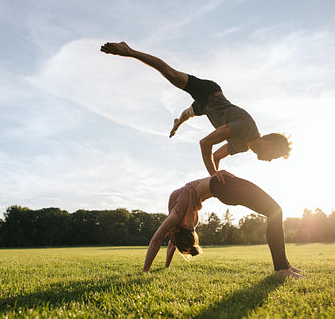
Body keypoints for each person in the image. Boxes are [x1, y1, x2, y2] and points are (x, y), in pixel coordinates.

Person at [100, 42, 292, 182]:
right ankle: (129, 50)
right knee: (171, 74)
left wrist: (219, 178)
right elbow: (205, 143)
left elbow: (216, 157)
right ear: (268, 142)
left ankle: (177, 122)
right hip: (210, 93)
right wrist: (214, 175)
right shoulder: (246, 128)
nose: (269, 161)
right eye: (273, 156)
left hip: (206, 108)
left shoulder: (243, 146)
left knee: (185, 115)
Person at [142, 170, 302, 278]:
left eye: (169, 235)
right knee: (274, 211)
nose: (167, 235)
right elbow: (170, 242)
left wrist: (147, 271)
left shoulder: (177, 218)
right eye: (170, 235)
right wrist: (159, 269)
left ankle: (284, 266)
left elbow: (159, 241)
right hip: (222, 187)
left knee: (274, 211)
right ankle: (282, 268)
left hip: (222, 188)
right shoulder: (184, 220)